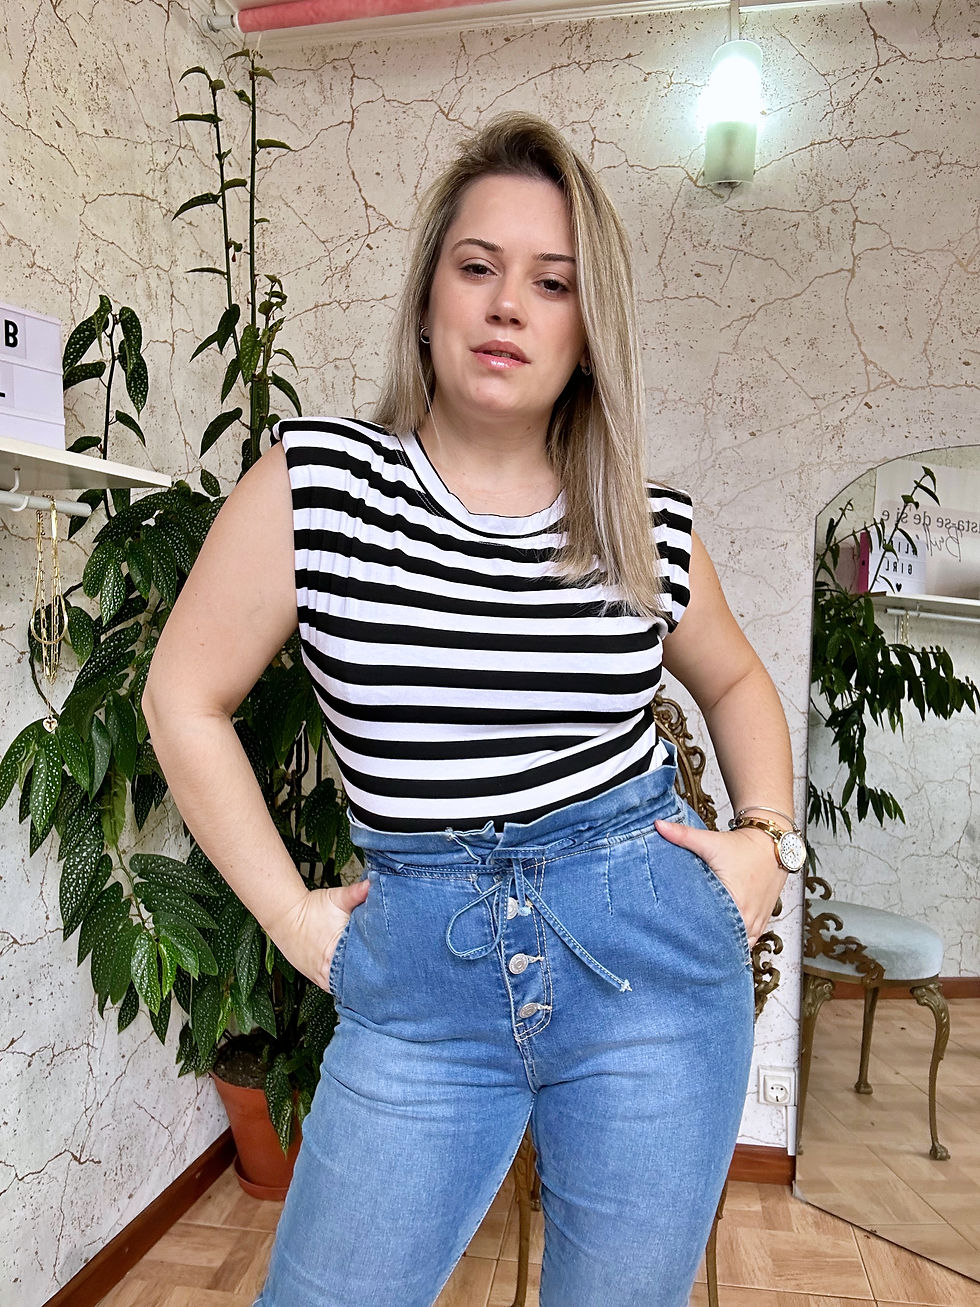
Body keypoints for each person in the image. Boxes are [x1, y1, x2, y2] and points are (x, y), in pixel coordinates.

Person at [142, 112, 801, 1307]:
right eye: (477, 266)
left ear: (587, 332)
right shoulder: (318, 485)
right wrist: (289, 915)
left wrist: (766, 837)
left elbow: (737, 681)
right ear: (427, 297)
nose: (508, 306)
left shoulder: (644, 523)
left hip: (648, 970)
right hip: (419, 985)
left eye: (552, 283)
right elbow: (182, 696)